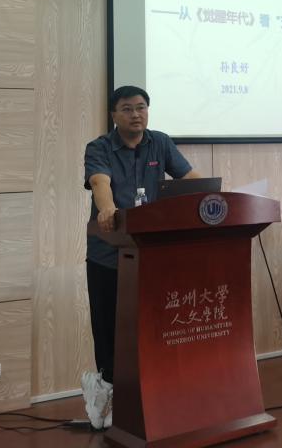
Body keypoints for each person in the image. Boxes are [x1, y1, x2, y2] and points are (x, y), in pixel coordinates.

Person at [80, 85, 201, 429]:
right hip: (109, 254)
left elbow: (189, 179)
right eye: (127, 108)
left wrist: (214, 195)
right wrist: (108, 210)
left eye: (141, 107)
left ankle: (146, 395)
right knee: (110, 329)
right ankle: (105, 389)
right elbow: (100, 184)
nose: (136, 114)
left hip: (150, 252)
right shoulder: (99, 147)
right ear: (113, 114)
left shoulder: (159, 142)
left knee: (149, 327)